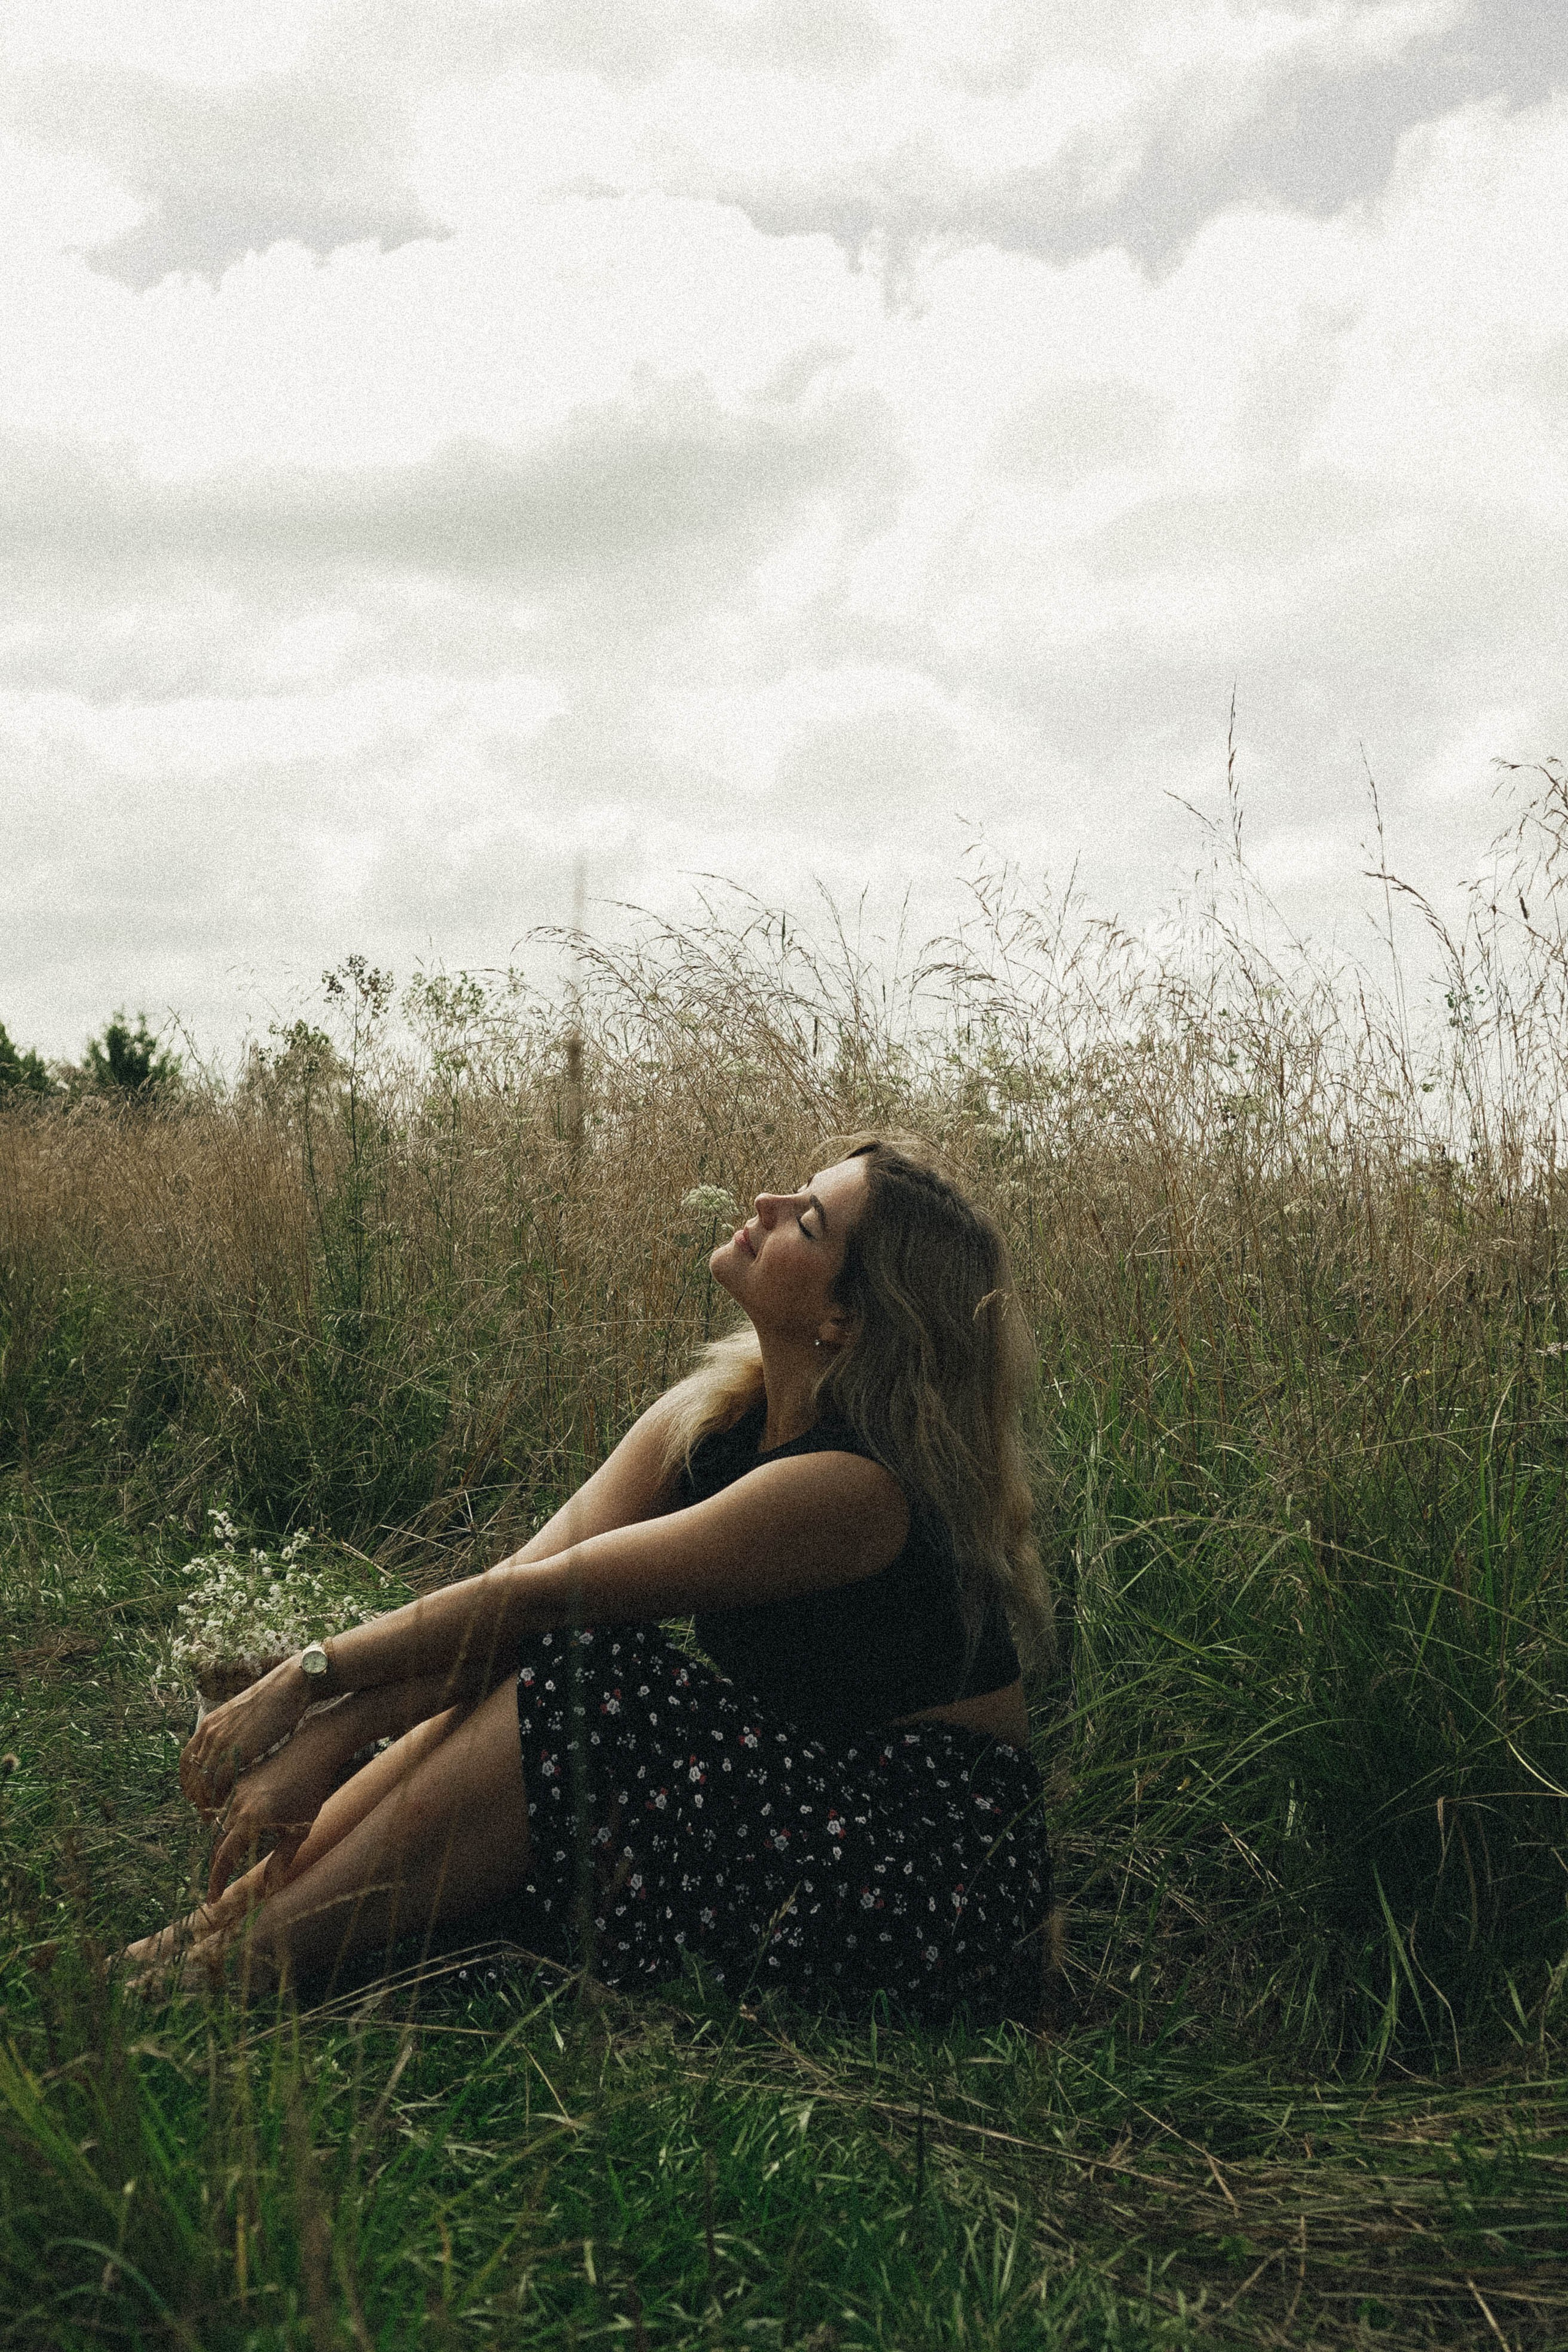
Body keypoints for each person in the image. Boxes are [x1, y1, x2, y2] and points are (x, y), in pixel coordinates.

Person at [127, 1133, 1055, 2024]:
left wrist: (310, 1691)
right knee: (560, 1660)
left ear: (843, 1319)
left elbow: (542, 1599)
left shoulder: (854, 1488)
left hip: (923, 1878)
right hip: (793, 1807)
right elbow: (512, 1592)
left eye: (807, 1222)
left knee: (592, 1680)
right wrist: (333, 1732)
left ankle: (237, 1967)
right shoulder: (716, 1416)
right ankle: (206, 1932)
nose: (768, 1203)